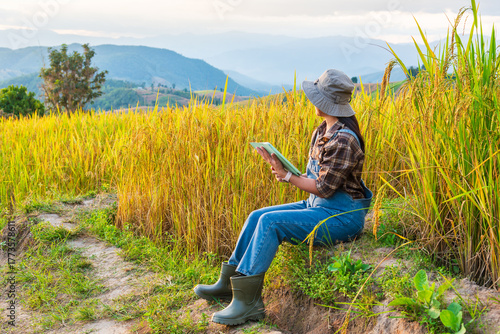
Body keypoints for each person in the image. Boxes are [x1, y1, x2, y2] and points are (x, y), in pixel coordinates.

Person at [193, 69, 373, 326]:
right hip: (317, 206)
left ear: (326, 102)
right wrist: (284, 169)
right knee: (258, 215)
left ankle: (249, 303)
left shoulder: (344, 140)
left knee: (272, 223)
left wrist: (288, 177)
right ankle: (227, 284)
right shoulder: (323, 130)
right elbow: (317, 181)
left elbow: (323, 188)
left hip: (341, 215)